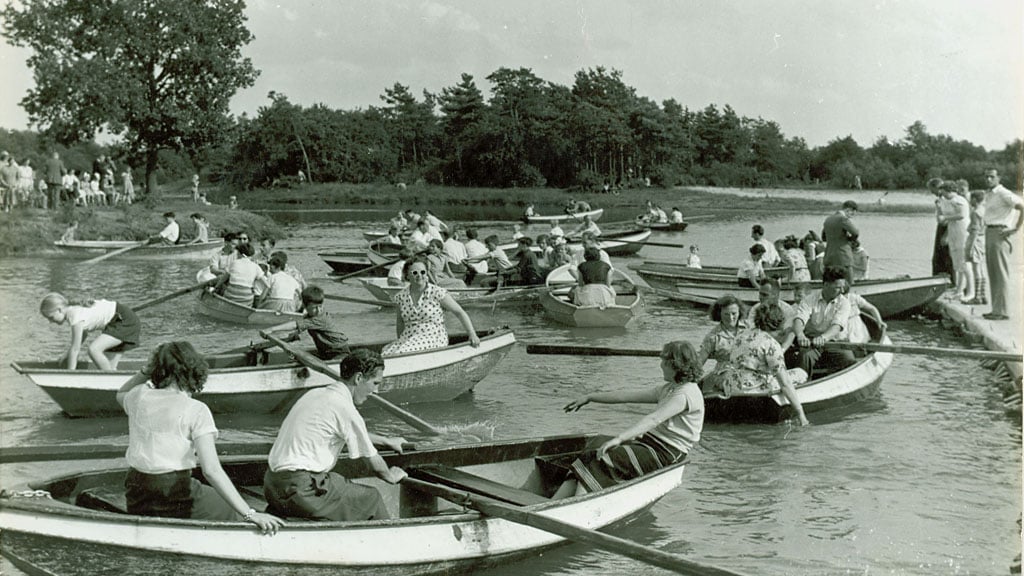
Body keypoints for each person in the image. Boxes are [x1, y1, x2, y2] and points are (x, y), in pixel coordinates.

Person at [115, 342, 283, 533]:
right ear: (195, 370)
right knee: (230, 508)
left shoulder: (138, 395)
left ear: (156, 370)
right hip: (174, 492)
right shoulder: (196, 410)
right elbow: (211, 470)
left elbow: (121, 392)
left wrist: (146, 371)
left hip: (137, 490)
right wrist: (250, 513)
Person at [263, 348, 408, 521]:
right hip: (301, 490)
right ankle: (388, 541)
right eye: (375, 383)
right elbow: (376, 466)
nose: (375, 391)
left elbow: (352, 433)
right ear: (359, 378)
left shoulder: (316, 394)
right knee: (372, 498)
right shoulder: (345, 407)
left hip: (272, 485)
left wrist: (385, 441)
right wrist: (392, 476)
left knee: (338, 480)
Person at [560, 341, 704, 494]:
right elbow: (624, 396)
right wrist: (590, 397)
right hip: (651, 444)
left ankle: (580, 507)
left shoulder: (685, 394)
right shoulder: (669, 389)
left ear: (676, 365)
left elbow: (653, 419)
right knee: (589, 457)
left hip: (667, 453)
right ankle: (555, 503)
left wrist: (619, 439)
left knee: (601, 460)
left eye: (664, 361)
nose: (661, 365)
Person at [703, 304, 810, 425]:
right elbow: (784, 383)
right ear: (778, 324)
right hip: (755, 389)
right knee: (801, 374)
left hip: (733, 386)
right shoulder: (771, 344)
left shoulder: (741, 335)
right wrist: (801, 414)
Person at [381, 257, 480, 356]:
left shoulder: (437, 292)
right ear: (407, 275)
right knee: (386, 352)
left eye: (423, 272)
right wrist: (400, 341)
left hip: (433, 336)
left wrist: (472, 334)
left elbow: (460, 312)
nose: (419, 275)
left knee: (401, 353)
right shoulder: (400, 297)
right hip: (409, 337)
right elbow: (400, 321)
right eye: (415, 273)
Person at [40, 292, 140, 370]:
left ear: (59, 310)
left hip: (123, 320)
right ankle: (113, 383)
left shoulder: (74, 316)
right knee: (108, 366)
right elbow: (81, 337)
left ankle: (109, 380)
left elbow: (75, 349)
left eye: (51, 317)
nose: (50, 321)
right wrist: (66, 355)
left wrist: (70, 373)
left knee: (94, 350)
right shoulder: (74, 311)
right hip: (121, 320)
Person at [789, 267, 856, 376]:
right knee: (804, 356)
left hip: (835, 342)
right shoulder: (809, 300)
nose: (842, 291)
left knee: (849, 360)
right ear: (825, 285)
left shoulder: (844, 303)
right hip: (812, 342)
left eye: (842, 287)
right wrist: (800, 335)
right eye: (838, 287)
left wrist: (823, 338)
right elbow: (799, 319)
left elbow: (837, 326)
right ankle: (802, 385)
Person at [981, 168, 1024, 320]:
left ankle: (1002, 311)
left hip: (999, 232)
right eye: (986, 177)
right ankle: (996, 309)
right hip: (990, 231)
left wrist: (1015, 229)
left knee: (1000, 273)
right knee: (993, 272)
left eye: (991, 177)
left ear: (998, 178)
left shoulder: (1003, 193)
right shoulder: (990, 194)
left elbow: (1022, 207)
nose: (988, 179)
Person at [266, 286, 350, 359]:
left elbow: (296, 324)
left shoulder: (320, 318)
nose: (318, 310)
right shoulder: (308, 316)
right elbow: (303, 325)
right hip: (326, 351)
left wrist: (272, 329)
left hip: (339, 352)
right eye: (314, 307)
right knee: (299, 356)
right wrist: (294, 336)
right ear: (305, 306)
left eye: (320, 306)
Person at [697, 295, 747, 377]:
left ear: (739, 312)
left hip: (748, 372)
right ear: (719, 314)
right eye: (726, 314)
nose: (731, 318)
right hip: (724, 375)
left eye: (734, 313)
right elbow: (699, 362)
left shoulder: (749, 329)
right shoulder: (713, 337)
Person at [938, 181, 969, 297]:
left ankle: (961, 289)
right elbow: (942, 218)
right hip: (953, 230)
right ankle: (958, 288)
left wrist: (946, 217)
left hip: (962, 230)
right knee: (955, 258)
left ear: (949, 190)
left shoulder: (959, 200)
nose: (942, 193)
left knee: (961, 259)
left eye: (944, 191)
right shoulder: (947, 201)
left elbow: (962, 215)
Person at [746, 279, 796, 349]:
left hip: (782, 347)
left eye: (764, 295)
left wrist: (782, 350)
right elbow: (752, 331)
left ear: (775, 295)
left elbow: (789, 333)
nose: (760, 297)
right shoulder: (755, 308)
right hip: (760, 345)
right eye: (760, 293)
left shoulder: (787, 309)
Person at [821, 200, 860, 283]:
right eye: (852, 213)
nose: (851, 216)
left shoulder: (828, 219)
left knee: (831, 282)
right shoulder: (843, 219)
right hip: (843, 255)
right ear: (848, 210)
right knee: (848, 283)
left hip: (829, 255)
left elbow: (823, 237)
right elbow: (856, 232)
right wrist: (850, 239)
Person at [219, 242, 266, 307]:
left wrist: (216, 287)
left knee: (224, 288)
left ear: (242, 254)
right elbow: (266, 283)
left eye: (238, 253)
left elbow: (223, 278)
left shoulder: (234, 263)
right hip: (246, 298)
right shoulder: (256, 266)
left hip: (231, 296)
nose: (237, 255)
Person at [961, 190, 988, 304]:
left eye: (971, 198)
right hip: (982, 240)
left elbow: (974, 231)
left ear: (975, 200)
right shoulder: (984, 211)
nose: (969, 200)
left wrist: (969, 248)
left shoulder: (975, 212)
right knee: (981, 269)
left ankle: (977, 297)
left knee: (976, 268)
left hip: (975, 240)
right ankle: (982, 295)